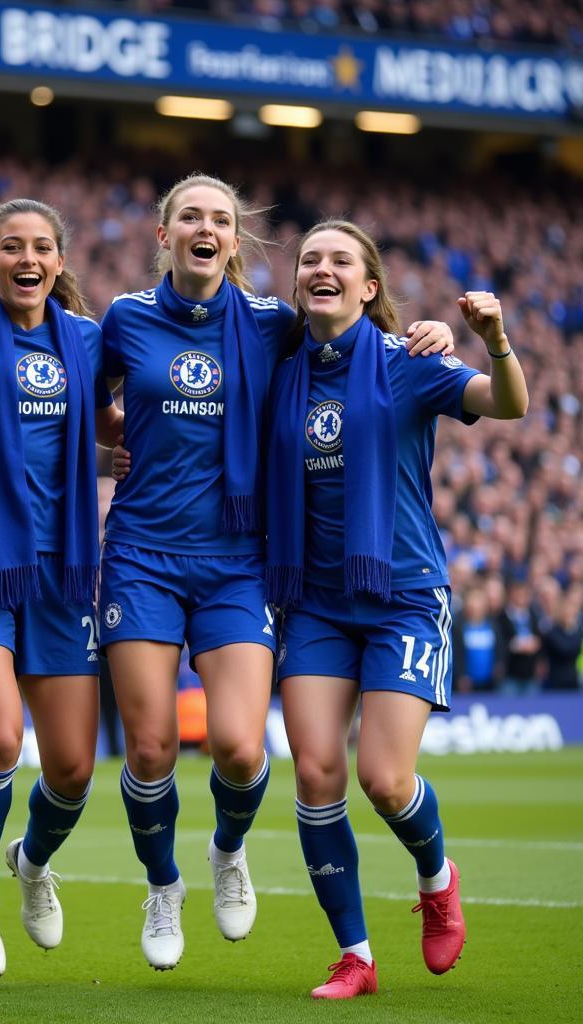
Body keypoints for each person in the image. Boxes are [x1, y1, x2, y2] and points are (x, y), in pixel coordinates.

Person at [98, 176, 454, 971]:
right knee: (151, 751)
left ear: (236, 241)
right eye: (189, 216)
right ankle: (164, 885)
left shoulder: (273, 326)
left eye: (220, 220)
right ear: (165, 234)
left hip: (238, 559)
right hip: (142, 556)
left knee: (238, 747)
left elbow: (353, 341)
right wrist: (103, 446)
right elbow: (65, 403)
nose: (205, 227)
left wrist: (429, 333)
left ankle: (229, 849)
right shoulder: (123, 319)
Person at [265, 219, 528, 998]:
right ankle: (356, 957)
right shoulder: (278, 367)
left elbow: (506, 403)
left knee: (383, 779)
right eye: (310, 258)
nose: (322, 268)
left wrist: (495, 338)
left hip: (402, 597)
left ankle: (436, 876)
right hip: (312, 602)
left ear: (368, 286)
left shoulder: (408, 362)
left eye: (341, 260)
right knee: (316, 773)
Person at [0, 199, 122, 978]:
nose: (28, 257)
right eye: (12, 246)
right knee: (1, 738)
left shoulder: (88, 338)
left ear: (60, 263)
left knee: (72, 769)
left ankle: (30, 862)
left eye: (42, 246)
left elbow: (104, 421)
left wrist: (128, 451)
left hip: (63, 568)